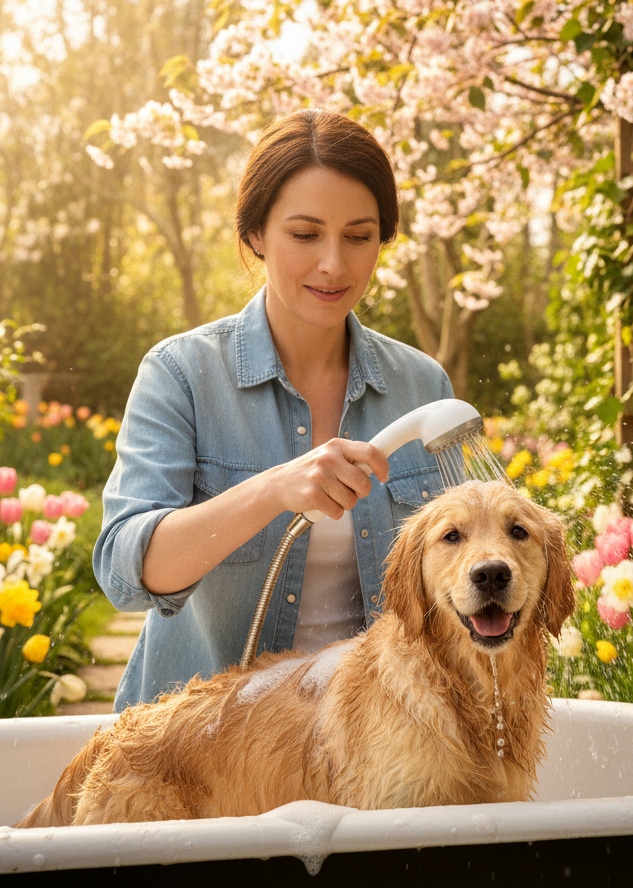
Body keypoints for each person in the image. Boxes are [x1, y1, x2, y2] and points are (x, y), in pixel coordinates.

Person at [94, 109, 454, 710]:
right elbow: (126, 573)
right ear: (256, 234)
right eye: (305, 235)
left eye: (359, 236)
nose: (334, 264)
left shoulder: (422, 386)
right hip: (207, 753)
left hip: (377, 748)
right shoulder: (181, 374)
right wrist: (273, 490)